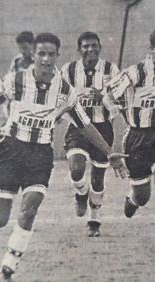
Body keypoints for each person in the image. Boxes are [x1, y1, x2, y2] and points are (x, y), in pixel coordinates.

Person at [0, 33, 127, 282]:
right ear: (33, 56)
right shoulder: (15, 81)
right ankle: (8, 239)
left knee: (29, 209)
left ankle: (8, 267)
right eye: (41, 54)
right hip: (11, 151)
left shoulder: (64, 90)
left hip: (40, 155)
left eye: (51, 54)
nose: (46, 59)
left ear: (58, 56)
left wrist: (109, 151)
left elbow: (86, 125)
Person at [61, 32, 120, 237]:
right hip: (77, 128)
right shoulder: (68, 70)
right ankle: (80, 193)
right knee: (76, 168)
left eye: (94, 45)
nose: (90, 49)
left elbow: (117, 105)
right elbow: (59, 97)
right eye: (85, 46)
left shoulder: (111, 69)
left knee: (98, 178)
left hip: (103, 128)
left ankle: (94, 220)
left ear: (100, 47)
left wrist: (104, 97)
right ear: (79, 49)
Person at [103, 30, 155, 219]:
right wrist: (112, 108)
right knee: (143, 196)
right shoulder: (137, 72)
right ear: (152, 50)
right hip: (139, 138)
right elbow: (108, 95)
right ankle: (133, 200)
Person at [0, 31, 34, 124]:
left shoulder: (38, 62)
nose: (22, 52)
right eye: (20, 48)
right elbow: (9, 79)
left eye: (25, 48)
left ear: (33, 45)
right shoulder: (17, 60)